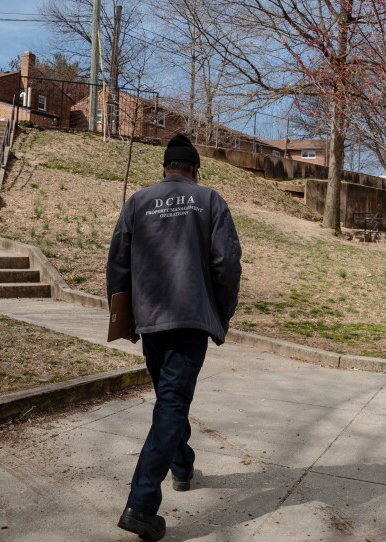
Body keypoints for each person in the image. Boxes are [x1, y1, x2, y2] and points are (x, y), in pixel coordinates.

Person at [107, 133, 242, 541]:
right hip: (189, 318)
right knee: (172, 402)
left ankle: (181, 465)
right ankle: (141, 505)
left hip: (151, 319)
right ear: (194, 168)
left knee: (170, 399)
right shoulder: (210, 200)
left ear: (165, 168)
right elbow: (227, 264)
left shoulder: (137, 202)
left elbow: (118, 264)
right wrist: (221, 311)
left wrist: (123, 317)